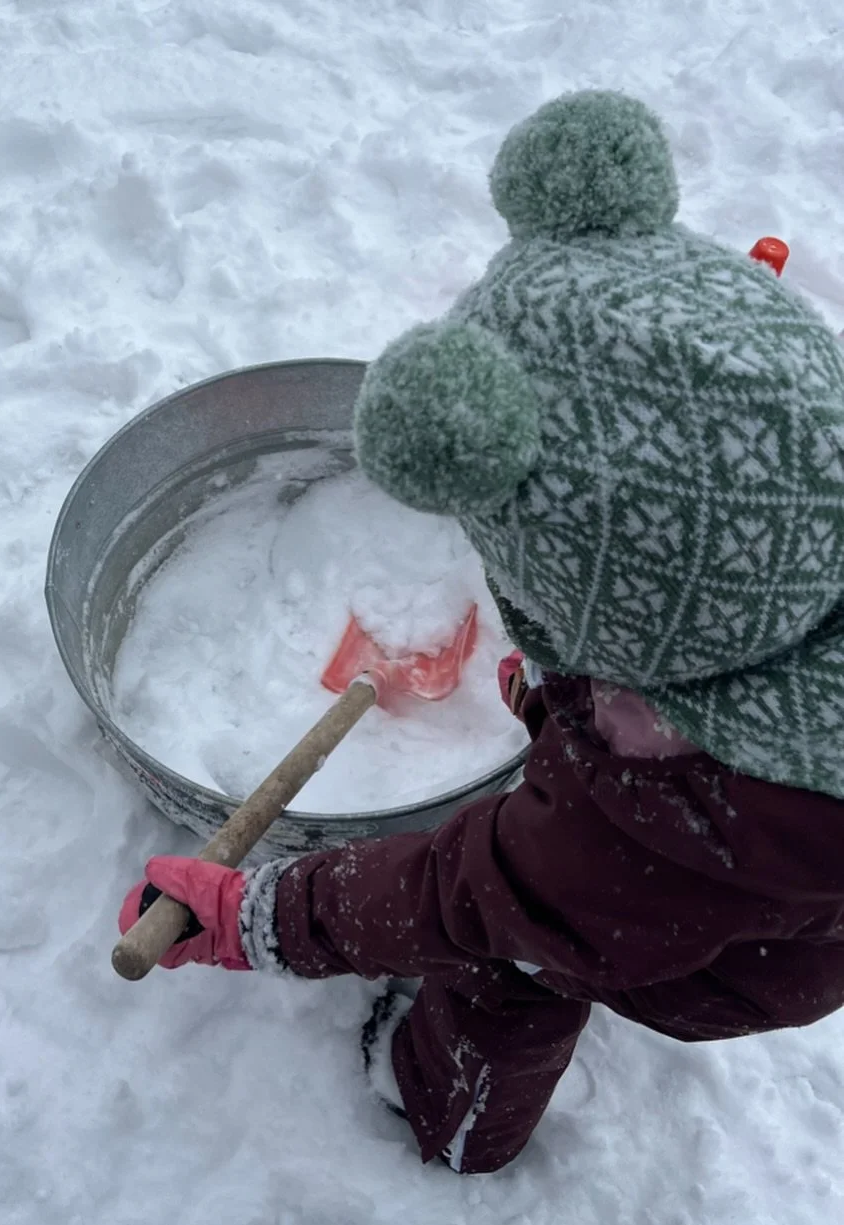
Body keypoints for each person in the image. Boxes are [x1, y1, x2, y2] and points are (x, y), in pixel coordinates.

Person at [118, 89, 844, 1175]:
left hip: (731, 954)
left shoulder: (666, 825)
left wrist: (251, 914)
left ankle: (448, 1113)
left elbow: (466, 896)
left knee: (520, 961)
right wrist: (578, 691)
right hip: (770, 882)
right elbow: (704, 594)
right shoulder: (790, 539)